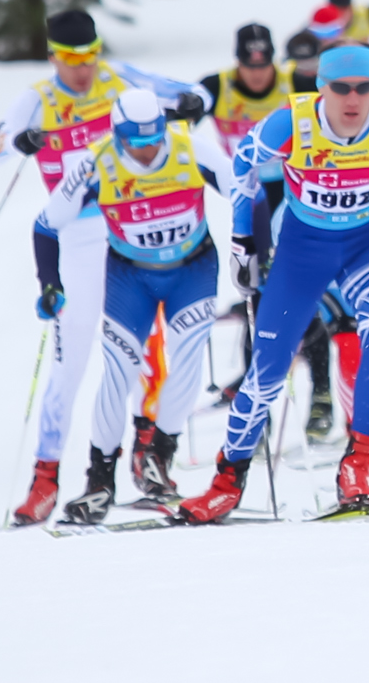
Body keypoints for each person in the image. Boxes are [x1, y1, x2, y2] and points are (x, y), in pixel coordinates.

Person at [181, 44, 369, 521]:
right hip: (301, 252)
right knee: (266, 373)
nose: (353, 99)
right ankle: (227, 478)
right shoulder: (292, 122)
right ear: (321, 87)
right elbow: (243, 168)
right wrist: (245, 241)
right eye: (340, 89)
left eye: (364, 87)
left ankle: (359, 462)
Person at [0, 10, 209, 526]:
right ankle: (44, 481)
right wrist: (20, 142)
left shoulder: (120, 79)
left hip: (131, 229)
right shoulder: (38, 99)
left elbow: (190, 92)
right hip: (79, 236)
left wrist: (190, 105)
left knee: (144, 354)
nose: (83, 71)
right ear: (53, 57)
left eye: (89, 57)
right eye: (71, 60)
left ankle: (148, 461)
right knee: (72, 361)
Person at [19, 86, 233, 525]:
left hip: (191, 270)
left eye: (153, 137)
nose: (147, 150)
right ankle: (99, 482)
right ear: (116, 136)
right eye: (134, 142)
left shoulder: (191, 149)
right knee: (118, 371)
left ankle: (157, 456)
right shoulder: (94, 163)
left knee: (188, 362)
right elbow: (46, 225)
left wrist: (256, 251)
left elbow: (246, 194)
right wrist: (49, 284)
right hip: (129, 275)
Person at [202, 24, 289, 152]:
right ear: (238, 62)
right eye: (250, 67)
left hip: (286, 171)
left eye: (263, 66)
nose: (257, 74)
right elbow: (178, 128)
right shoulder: (216, 86)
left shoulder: (294, 83)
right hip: (232, 169)